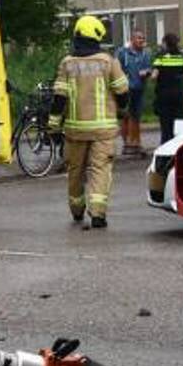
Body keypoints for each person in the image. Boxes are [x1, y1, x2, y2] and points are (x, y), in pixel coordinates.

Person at [56, 15, 128, 229]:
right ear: (96, 36)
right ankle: (98, 214)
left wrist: (53, 124)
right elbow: (122, 91)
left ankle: (77, 211)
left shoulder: (67, 63)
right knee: (100, 169)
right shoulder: (108, 61)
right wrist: (122, 110)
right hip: (103, 130)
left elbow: (59, 98)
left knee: (75, 171)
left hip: (75, 131)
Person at [117, 30, 152, 157]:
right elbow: (116, 68)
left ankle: (137, 142)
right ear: (132, 39)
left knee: (136, 116)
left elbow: (149, 67)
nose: (141, 40)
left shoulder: (146, 53)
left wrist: (147, 72)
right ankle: (127, 143)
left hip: (139, 88)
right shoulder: (123, 53)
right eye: (139, 38)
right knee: (126, 116)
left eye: (143, 38)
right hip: (126, 89)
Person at [150, 33, 183, 145]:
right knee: (179, 126)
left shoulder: (160, 57)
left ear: (165, 43)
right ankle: (177, 149)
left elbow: (154, 76)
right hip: (179, 96)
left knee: (166, 127)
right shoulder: (182, 57)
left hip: (164, 96)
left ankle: (165, 150)